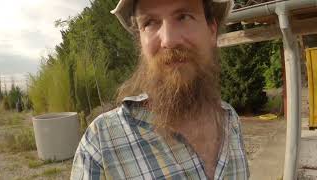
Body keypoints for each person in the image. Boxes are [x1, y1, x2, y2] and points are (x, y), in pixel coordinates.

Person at [70, 0, 249, 179]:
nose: (169, 40)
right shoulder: (101, 143)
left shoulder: (229, 120)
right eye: (149, 23)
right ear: (140, 42)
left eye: (184, 17)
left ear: (211, 30)